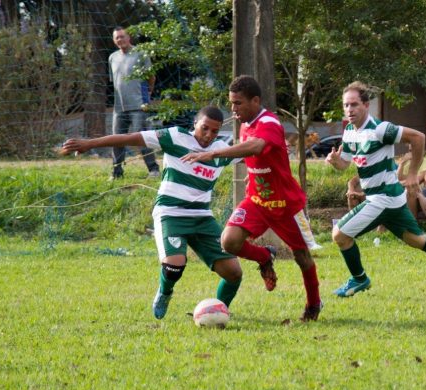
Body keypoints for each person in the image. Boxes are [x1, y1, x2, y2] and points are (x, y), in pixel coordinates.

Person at [61, 106, 242, 320]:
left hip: (202, 217)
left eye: (214, 131)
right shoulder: (174, 137)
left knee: (233, 273)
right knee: (175, 266)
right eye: (205, 129)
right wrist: (89, 144)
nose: (209, 135)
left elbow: (253, 152)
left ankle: (219, 310)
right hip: (171, 213)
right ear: (195, 124)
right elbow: (129, 137)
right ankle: (165, 293)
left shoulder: (222, 150)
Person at [181, 75, 323, 321]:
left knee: (302, 257)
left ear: (255, 100)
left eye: (238, 103)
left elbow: (257, 147)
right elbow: (259, 156)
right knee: (229, 241)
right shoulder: (245, 123)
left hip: (286, 205)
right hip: (257, 201)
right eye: (231, 103)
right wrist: (253, 176)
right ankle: (264, 256)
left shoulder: (268, 121)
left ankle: (313, 304)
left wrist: (214, 153)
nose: (233, 109)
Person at [325, 81, 426, 298]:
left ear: (366, 105)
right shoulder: (350, 131)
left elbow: (418, 138)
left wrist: (414, 173)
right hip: (391, 199)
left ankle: (359, 279)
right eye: (346, 105)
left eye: (354, 105)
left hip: (383, 198)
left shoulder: (380, 129)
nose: (349, 110)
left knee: (339, 234)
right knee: (418, 240)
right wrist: (335, 160)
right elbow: (345, 165)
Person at [109, 26, 160, 180]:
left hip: (139, 105)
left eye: (122, 36)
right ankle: (116, 173)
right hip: (119, 108)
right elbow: (114, 82)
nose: (120, 40)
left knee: (141, 138)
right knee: (116, 139)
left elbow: (151, 76)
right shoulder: (112, 57)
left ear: (128, 37)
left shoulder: (141, 53)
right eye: (117, 37)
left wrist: (147, 94)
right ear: (114, 40)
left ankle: (154, 170)